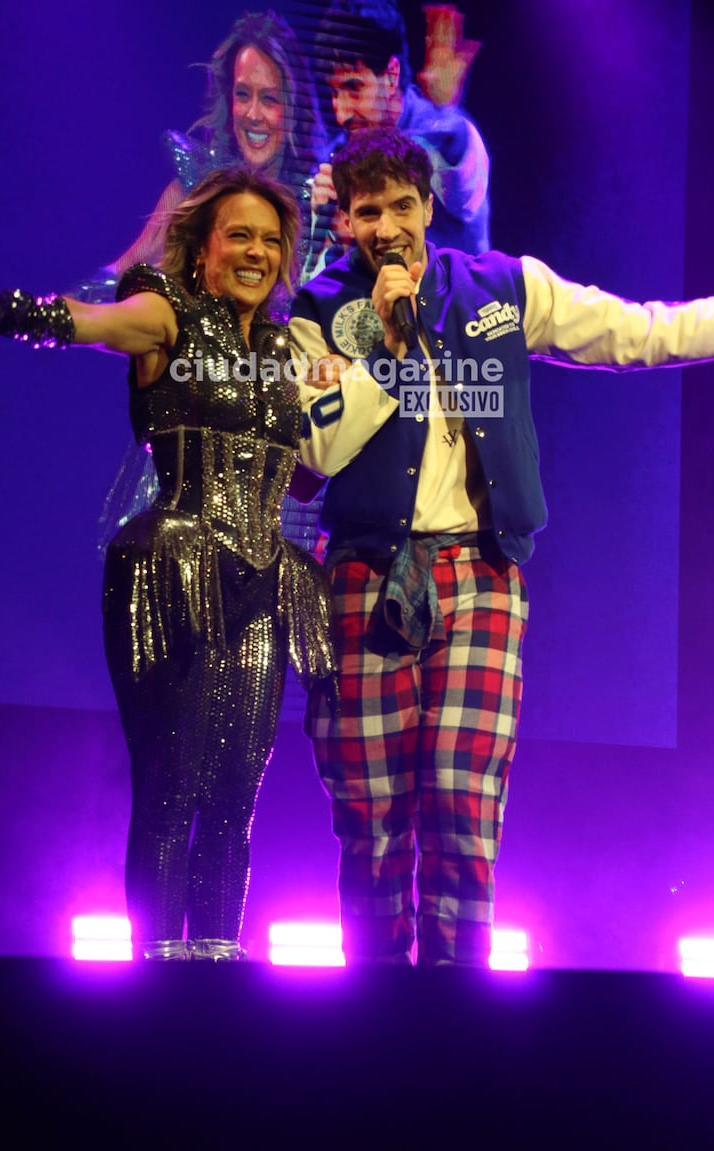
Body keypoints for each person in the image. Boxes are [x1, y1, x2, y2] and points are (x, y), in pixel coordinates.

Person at [290, 126, 714, 967]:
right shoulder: (314, 313)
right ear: (342, 219)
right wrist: (385, 343)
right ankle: (372, 1015)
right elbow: (315, 452)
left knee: (461, 797)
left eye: (400, 206)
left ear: (427, 206)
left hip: (480, 574)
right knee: (371, 812)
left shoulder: (499, 284)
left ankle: (456, 1013)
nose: (384, 227)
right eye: (365, 210)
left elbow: (635, 333)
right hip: (364, 573)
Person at [0, 168, 337, 961]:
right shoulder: (167, 315)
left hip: (261, 585)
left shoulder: (279, 353)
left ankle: (219, 969)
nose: (256, 252)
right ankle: (158, 980)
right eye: (239, 235)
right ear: (202, 249)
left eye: (270, 240)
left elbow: (301, 473)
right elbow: (83, 320)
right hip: (175, 574)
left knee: (235, 798)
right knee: (174, 783)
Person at [86, 9, 327, 298]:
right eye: (242, 94)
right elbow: (123, 271)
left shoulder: (316, 206)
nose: (252, 114)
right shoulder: (195, 186)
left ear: (293, 107)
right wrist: (57, 312)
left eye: (269, 98)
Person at [303, 0, 490, 278]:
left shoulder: (442, 139)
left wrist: (447, 115)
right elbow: (314, 288)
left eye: (353, 88)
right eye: (333, 93)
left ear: (391, 75)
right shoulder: (335, 157)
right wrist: (327, 226)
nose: (341, 114)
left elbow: (460, 177)